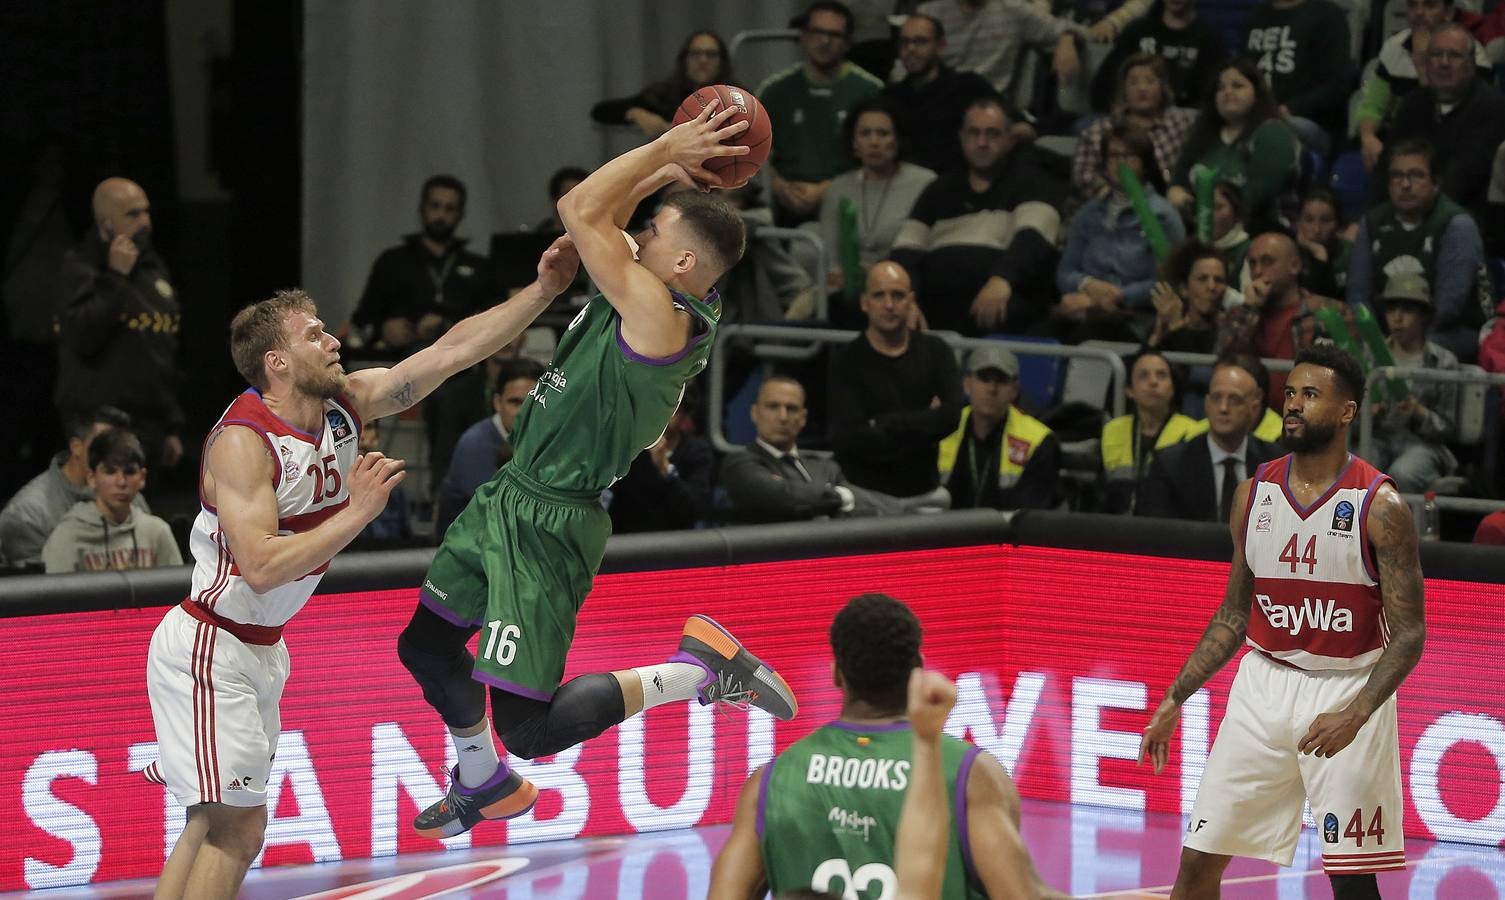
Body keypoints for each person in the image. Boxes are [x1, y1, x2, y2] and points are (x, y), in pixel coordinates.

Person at [397, 104, 799, 841]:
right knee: (423, 644)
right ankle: (482, 781)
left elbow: (579, 207)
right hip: (509, 496)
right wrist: (671, 168)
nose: (636, 232)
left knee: (528, 726)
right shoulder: (641, 282)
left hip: (551, 523)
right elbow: (601, 214)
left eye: (654, 231)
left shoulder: (658, 316)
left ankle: (699, 670)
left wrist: (665, 147)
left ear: (680, 263)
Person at [143, 236, 578, 899]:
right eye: (315, 334)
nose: (333, 341)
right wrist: (358, 510)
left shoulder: (345, 406)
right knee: (237, 827)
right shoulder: (242, 440)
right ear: (277, 360)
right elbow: (259, 566)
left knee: (216, 822)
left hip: (261, 649)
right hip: (211, 644)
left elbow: (452, 352)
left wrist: (542, 291)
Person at [1141, 343, 1426, 897]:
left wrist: (1356, 713)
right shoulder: (1254, 495)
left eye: (1311, 395)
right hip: (1262, 683)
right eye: (1290, 393)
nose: (1293, 405)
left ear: (1347, 412)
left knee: (1352, 882)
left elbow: (1410, 634)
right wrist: (1176, 697)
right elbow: (1234, 614)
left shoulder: (1380, 506)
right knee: (1197, 862)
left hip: (1347, 687)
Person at [707, 593, 1059, 900]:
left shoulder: (771, 782)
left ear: (837, 674)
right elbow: (1020, 896)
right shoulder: (971, 775)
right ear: (917, 670)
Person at [349, 174, 496, 488]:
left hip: (465, 362)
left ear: (460, 214)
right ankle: (445, 488)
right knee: (443, 392)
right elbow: (363, 319)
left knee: (465, 388)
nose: (441, 214)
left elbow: (494, 319)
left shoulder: (477, 267)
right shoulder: (394, 262)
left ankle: (463, 484)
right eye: (435, 206)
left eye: (450, 208)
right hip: (403, 363)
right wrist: (385, 329)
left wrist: (445, 326)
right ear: (422, 209)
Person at [890, 96, 1068, 336]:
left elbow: (1033, 241)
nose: (982, 143)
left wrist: (1002, 280)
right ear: (962, 138)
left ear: (1009, 139)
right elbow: (906, 250)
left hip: (1002, 303)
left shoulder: (1033, 183)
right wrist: (905, 298)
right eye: (974, 133)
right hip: (936, 305)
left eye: (992, 134)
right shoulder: (939, 189)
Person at [55, 178, 185, 475]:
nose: (145, 222)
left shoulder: (154, 269)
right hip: (98, 421)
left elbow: (164, 351)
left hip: (151, 424)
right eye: (132, 215)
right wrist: (115, 278)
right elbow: (83, 338)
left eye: (146, 212)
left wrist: (172, 424)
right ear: (105, 222)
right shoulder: (80, 267)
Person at [828, 260, 964, 501]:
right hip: (864, 494)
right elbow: (852, 438)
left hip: (926, 494)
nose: (889, 305)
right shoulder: (846, 360)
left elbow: (951, 417)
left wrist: (883, 423)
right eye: (879, 295)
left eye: (898, 295)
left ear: (911, 301)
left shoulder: (937, 351)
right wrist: (925, 421)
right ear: (865, 303)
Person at [1346, 138, 1487, 364]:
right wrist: (1375, 339)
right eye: (1397, 176)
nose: (1405, 184)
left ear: (1436, 183)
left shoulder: (1456, 224)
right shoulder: (1372, 222)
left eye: (1416, 175)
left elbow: (1448, 307)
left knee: (1419, 351)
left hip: (1450, 332)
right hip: (1388, 330)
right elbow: (1357, 295)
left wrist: (1400, 343)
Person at [1056, 122, 1187, 342]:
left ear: (1144, 163)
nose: (1120, 163)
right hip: (1084, 311)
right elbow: (1065, 271)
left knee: (1089, 336)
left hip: (1135, 318)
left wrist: (1118, 296)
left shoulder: (1163, 216)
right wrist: (1088, 285)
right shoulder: (1088, 213)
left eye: (1129, 156)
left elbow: (1168, 280)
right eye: (1114, 156)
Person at [760, 1, 885, 226]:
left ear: (848, 43)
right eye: (817, 32)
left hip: (853, 202)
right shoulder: (775, 90)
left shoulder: (871, 91)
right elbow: (753, 151)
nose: (824, 41)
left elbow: (881, 157)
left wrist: (829, 189)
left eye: (834, 35)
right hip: (784, 202)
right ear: (803, 36)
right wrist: (777, 185)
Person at [817, 97, 937, 304]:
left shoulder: (924, 183)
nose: (874, 142)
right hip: (846, 290)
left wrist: (871, 274)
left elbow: (926, 252)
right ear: (854, 143)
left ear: (897, 140)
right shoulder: (838, 188)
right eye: (865, 134)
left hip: (903, 289)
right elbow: (830, 254)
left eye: (883, 134)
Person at [1137, 353, 1281, 520]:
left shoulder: (1275, 464)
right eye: (1216, 398)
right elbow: (1159, 533)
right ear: (1206, 403)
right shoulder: (1170, 465)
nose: (1223, 408)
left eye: (1234, 400)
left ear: (1254, 407)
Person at [720, 376, 883, 523]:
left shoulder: (825, 467)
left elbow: (864, 504)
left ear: (803, 418)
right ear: (755, 413)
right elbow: (780, 496)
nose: (783, 417)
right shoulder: (739, 463)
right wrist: (840, 496)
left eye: (791, 409)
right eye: (773, 406)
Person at [1386, 23, 1505, 221]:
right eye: (1435, 54)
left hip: (1465, 218)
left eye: (1454, 55)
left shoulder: (1492, 107)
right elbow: (1385, 167)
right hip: (1409, 210)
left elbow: (1464, 176)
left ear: (1471, 64)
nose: (1444, 62)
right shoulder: (1413, 104)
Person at [1354, 0, 1491, 172]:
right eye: (1412, 5)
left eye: (1429, 5)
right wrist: (1368, 137)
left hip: (1450, 149)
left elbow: (1446, 119)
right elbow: (1372, 106)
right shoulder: (1393, 48)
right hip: (1399, 142)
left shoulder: (1470, 56)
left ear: (1448, 13)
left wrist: (1422, 67)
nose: (1419, 13)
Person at [0, 405, 144, 568]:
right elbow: (40, 589)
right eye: (101, 446)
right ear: (76, 447)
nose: (113, 455)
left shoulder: (130, 496)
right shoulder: (28, 513)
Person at [1167, 59, 1301, 232]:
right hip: (1199, 231)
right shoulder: (1203, 136)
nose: (1228, 92)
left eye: (1237, 86)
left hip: (1257, 232)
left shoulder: (1272, 133)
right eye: (1221, 88)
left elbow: (1256, 195)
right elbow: (1177, 185)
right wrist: (1183, 201)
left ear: (1257, 93)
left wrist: (1210, 211)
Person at [1221, 232, 1347, 409]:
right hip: (1253, 422)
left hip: (1308, 420)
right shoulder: (1241, 314)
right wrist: (1250, 309)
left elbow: (1354, 371)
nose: (1257, 271)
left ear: (1294, 265)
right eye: (1252, 263)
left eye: (1267, 261)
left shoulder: (1328, 311)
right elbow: (1224, 359)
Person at [42, 428, 182, 572]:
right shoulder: (67, 536)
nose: (121, 482)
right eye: (110, 471)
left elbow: (182, 591)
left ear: (142, 478)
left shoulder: (157, 532)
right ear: (92, 478)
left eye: (129, 472)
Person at [938, 345, 1061, 510]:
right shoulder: (940, 429)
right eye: (984, 378)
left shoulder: (1038, 441)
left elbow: (1030, 518)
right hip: (944, 531)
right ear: (967, 385)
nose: (992, 389)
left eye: (1001, 380)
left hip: (1006, 533)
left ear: (1014, 390)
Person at [1369, 273, 1460, 493]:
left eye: (1407, 310)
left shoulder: (1443, 361)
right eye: (1391, 310)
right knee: (1362, 468)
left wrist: (1420, 413)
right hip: (1376, 439)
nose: (1397, 318)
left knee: (1404, 473)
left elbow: (1448, 427)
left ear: (1424, 316)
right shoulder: (1370, 355)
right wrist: (1367, 414)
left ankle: (1405, 527)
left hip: (1423, 445)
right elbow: (1347, 417)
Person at [434, 357, 545, 536]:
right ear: (497, 403)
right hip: (469, 554)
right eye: (515, 402)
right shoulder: (475, 445)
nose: (523, 412)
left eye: (532, 402)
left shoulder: (550, 441)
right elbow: (503, 517)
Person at [881, 14, 1001, 176]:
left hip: (959, 185)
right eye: (904, 42)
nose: (911, 49)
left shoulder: (969, 87)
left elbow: (1015, 126)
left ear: (941, 46)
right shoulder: (889, 97)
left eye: (921, 41)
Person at [1074, 54, 1198, 205]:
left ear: (1163, 87)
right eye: (1133, 83)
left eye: (1150, 81)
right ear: (1123, 89)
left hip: (1170, 207)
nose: (1142, 88)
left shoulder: (1183, 122)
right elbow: (1083, 175)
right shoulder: (1098, 131)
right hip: (1113, 207)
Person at [915, 0, 1085, 105]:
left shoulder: (1014, 10)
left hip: (990, 107)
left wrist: (1067, 38)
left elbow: (1083, 31)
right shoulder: (929, 13)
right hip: (935, 102)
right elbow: (907, 66)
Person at [1241, 0, 1353, 154]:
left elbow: (1338, 86)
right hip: (1256, 114)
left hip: (1309, 123)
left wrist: (1290, 108)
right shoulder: (1257, 17)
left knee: (1271, 130)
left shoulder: (1328, 15)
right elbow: (1242, 72)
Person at [1100, 348, 1200, 513]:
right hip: (1118, 526)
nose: (1153, 382)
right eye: (1143, 376)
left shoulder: (1193, 432)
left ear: (1173, 388)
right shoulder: (1113, 430)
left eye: (1161, 375)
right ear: (1129, 390)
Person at [605, 385, 715, 533]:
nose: (661, 418)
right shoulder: (631, 445)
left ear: (684, 414)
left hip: (677, 543)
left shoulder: (697, 451)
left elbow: (695, 508)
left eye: (671, 411)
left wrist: (666, 470)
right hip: (626, 539)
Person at [590, 30, 734, 138]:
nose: (703, 60)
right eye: (696, 54)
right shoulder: (665, 93)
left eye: (711, 54)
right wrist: (635, 112)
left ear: (722, 61)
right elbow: (600, 111)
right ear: (684, 59)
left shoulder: (735, 95)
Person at [1091, 0, 1226, 112]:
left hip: (1180, 125)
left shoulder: (1209, 39)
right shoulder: (1137, 31)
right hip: (1130, 120)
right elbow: (1104, 85)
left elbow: (1207, 98)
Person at [1148, 240, 1229, 353]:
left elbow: (1196, 369)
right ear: (1184, 289)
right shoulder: (1165, 326)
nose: (1212, 286)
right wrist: (1157, 334)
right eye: (1202, 279)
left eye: (1219, 280)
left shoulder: (1229, 332)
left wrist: (1176, 325)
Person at [1293, 187, 1350, 299]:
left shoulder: (1352, 255)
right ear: (1298, 222)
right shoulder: (1290, 255)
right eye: (1309, 220)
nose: (1317, 229)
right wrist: (1319, 253)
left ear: (1338, 223)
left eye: (1326, 220)